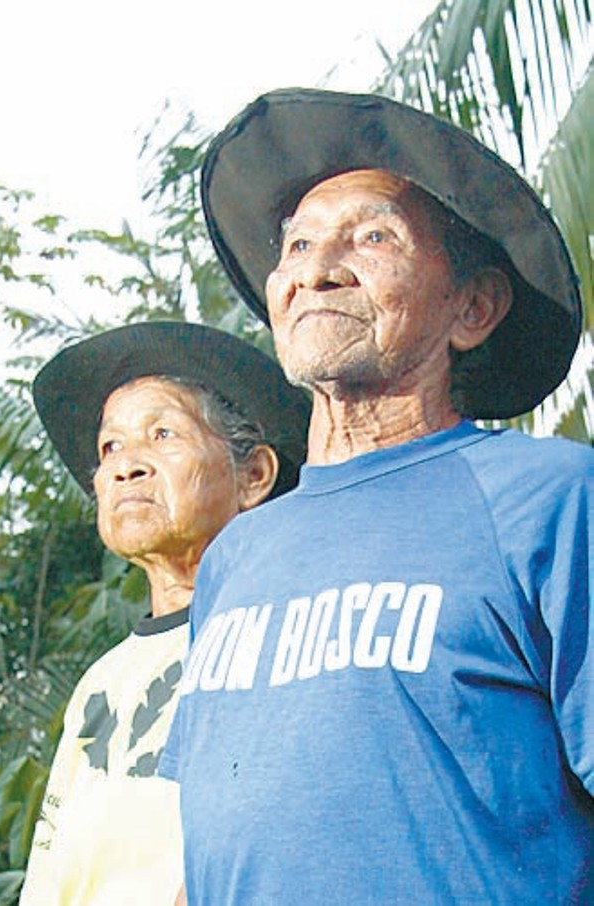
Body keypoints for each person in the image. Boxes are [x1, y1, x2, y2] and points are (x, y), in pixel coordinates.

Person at [159, 89, 594, 904]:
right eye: (296, 245)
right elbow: (216, 836)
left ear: (472, 308)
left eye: (373, 237)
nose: (316, 269)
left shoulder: (555, 500)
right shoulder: (237, 556)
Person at [18, 319, 309, 906]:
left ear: (253, 475)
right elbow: (49, 880)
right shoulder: (101, 682)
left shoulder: (292, 644)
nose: (127, 465)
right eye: (111, 447)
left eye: (163, 435)